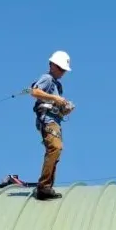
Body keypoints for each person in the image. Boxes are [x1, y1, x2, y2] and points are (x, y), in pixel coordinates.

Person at [29, 50, 73, 200]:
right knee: (55, 147)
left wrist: (64, 108)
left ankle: (47, 186)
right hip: (47, 121)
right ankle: (44, 187)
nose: (62, 72)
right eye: (60, 68)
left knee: (56, 150)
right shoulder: (47, 79)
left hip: (55, 121)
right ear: (52, 65)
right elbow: (34, 91)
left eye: (63, 70)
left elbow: (53, 104)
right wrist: (54, 97)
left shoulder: (57, 85)